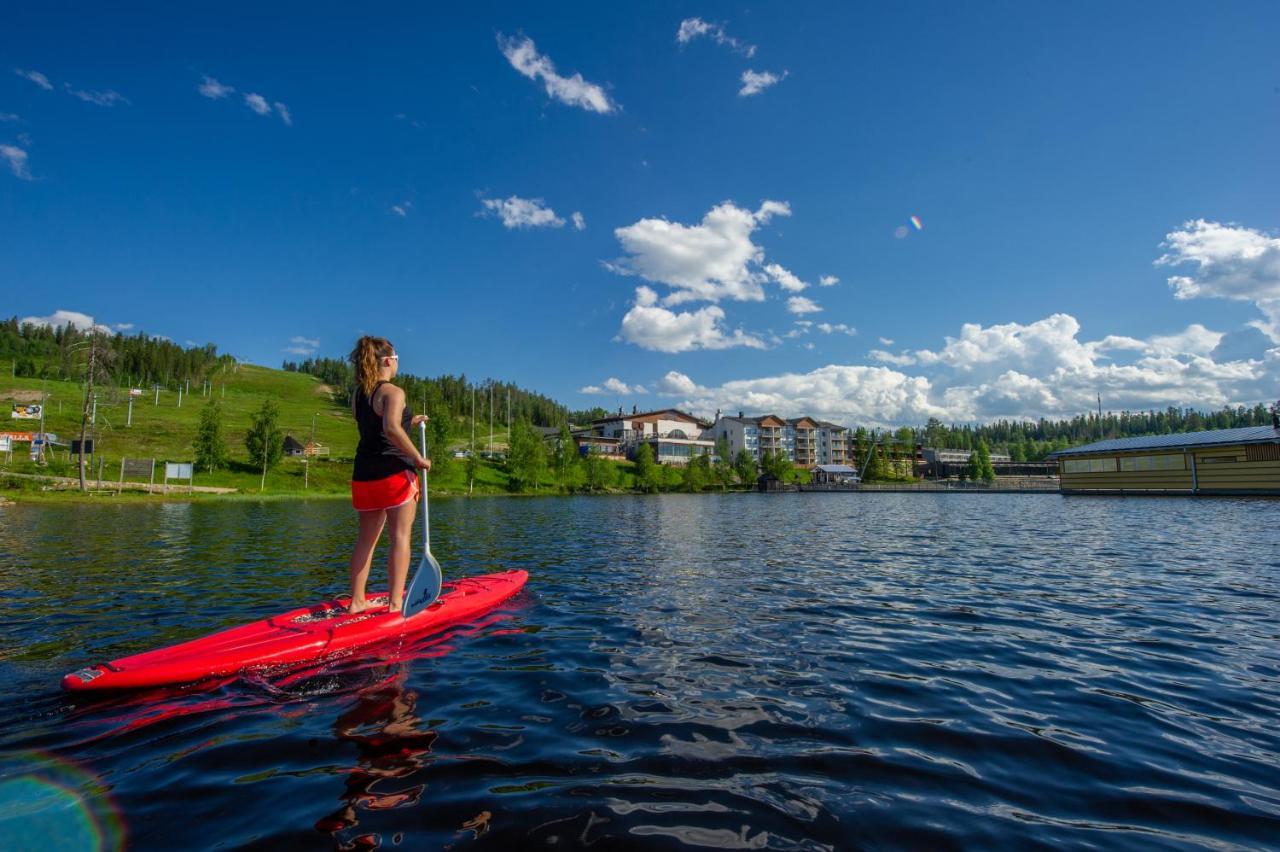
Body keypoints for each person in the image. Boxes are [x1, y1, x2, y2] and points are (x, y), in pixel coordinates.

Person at [347, 336, 431, 614]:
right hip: (394, 474)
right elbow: (391, 428)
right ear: (386, 361)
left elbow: (375, 424)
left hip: (364, 475)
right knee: (400, 537)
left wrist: (411, 419)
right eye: (396, 359)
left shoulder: (358, 394)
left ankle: (357, 602)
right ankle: (396, 605)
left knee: (366, 540)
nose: (397, 364)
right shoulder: (394, 393)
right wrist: (418, 458)